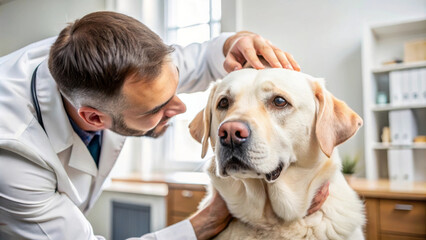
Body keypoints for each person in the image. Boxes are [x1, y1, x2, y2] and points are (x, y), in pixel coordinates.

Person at [0, 11, 325, 240]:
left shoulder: (103, 59)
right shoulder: (14, 155)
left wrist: (235, 42)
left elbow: (201, 59)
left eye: (175, 88)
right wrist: (203, 223)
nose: (180, 106)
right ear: (94, 119)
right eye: (157, 108)